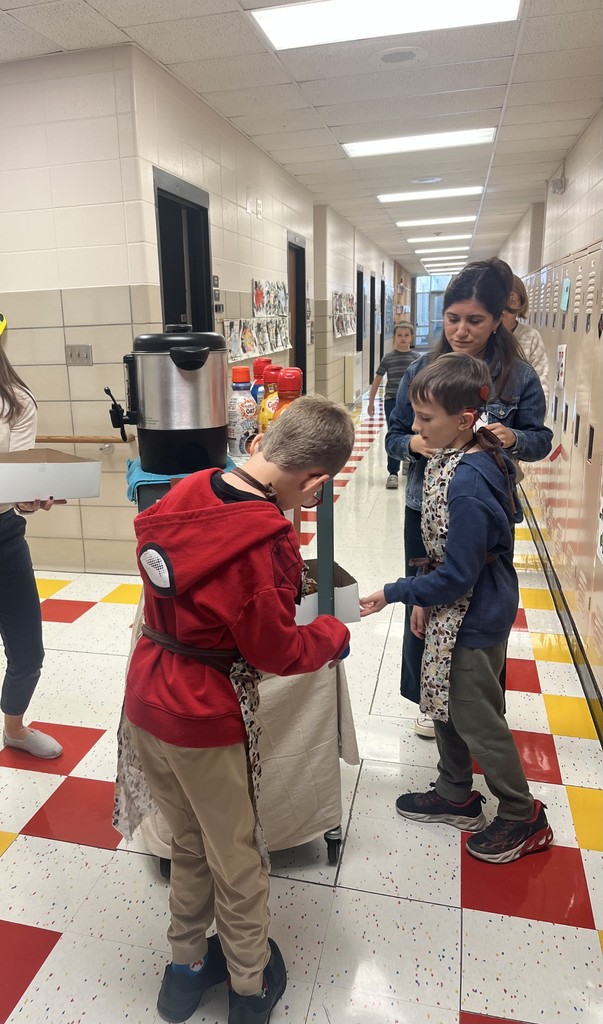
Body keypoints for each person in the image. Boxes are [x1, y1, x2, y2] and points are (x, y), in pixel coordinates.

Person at [123, 395, 354, 1024]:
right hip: (203, 710)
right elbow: (274, 650)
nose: (309, 504)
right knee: (239, 857)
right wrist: (333, 634)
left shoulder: (189, 488)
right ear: (315, 480)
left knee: (189, 843)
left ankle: (185, 972)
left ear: (262, 443)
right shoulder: (266, 544)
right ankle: (249, 990)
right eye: (315, 495)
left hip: (146, 695)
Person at [360, 353, 554, 864]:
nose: (416, 429)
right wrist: (427, 593)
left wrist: (398, 593)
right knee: (443, 696)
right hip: (453, 604)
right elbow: (444, 554)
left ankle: (521, 815)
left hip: (475, 611)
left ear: (465, 419)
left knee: (474, 713)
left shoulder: (469, 481)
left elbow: (461, 572)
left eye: (426, 419)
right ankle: (454, 793)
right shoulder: (460, 452)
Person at [386, 258, 553, 738]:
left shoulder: (516, 377)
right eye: (452, 318)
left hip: (485, 512)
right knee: (426, 603)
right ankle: (426, 699)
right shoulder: (422, 367)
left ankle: (483, 700)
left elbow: (540, 438)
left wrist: (514, 437)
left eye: (475, 320)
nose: (461, 331)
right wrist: (414, 444)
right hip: (427, 510)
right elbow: (394, 436)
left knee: (482, 607)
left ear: (499, 318)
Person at [0, 313, 64, 760]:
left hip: (2, 535)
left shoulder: (17, 403)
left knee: (27, 648)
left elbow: (14, 483)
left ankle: (14, 729)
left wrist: (29, 496)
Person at [367, 322, 419, 488]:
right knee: (394, 432)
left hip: (413, 403)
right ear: (394, 338)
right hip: (392, 401)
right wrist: (371, 402)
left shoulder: (417, 358)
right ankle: (392, 472)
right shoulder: (388, 358)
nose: (403, 338)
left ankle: (408, 460)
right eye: (399, 335)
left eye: (406, 335)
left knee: (413, 431)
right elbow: (377, 380)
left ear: (411, 338)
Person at [502, 274, 550, 404]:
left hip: (522, 413)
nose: (504, 310)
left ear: (520, 303)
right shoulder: (483, 335)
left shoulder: (531, 337)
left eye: (511, 302)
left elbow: (541, 384)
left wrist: (533, 420)